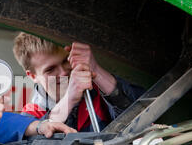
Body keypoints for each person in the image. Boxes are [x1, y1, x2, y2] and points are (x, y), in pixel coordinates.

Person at [12, 32, 145, 131]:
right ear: (32, 76)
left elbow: (144, 114)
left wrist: (96, 70)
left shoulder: (99, 89)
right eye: (50, 69)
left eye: (65, 61)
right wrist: (69, 100)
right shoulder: (31, 117)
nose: (63, 72)